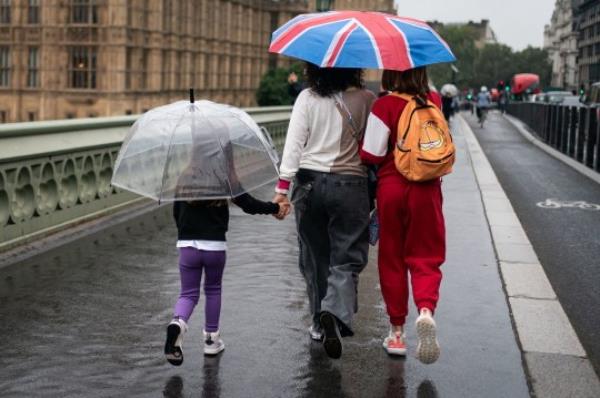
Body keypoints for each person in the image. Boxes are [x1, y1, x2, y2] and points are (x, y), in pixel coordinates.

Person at [273, 63, 375, 359]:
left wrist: (282, 189)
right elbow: (377, 148)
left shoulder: (306, 97)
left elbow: (293, 145)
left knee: (315, 257)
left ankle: (318, 321)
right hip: (350, 185)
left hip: (308, 184)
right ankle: (335, 311)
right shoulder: (368, 100)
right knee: (346, 258)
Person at [360, 67, 446, 364]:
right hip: (428, 188)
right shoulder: (433, 100)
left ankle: (396, 334)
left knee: (392, 257)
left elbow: (370, 153)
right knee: (426, 255)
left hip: (392, 187)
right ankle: (425, 311)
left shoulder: (384, 105)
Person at [164, 189, 290, 366]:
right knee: (213, 290)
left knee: (188, 294)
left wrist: (186, 233)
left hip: (187, 244)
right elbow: (248, 204)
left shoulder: (185, 180)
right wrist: (275, 208)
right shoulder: (222, 177)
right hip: (214, 244)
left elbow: (176, 213)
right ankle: (211, 341)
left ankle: (177, 323)